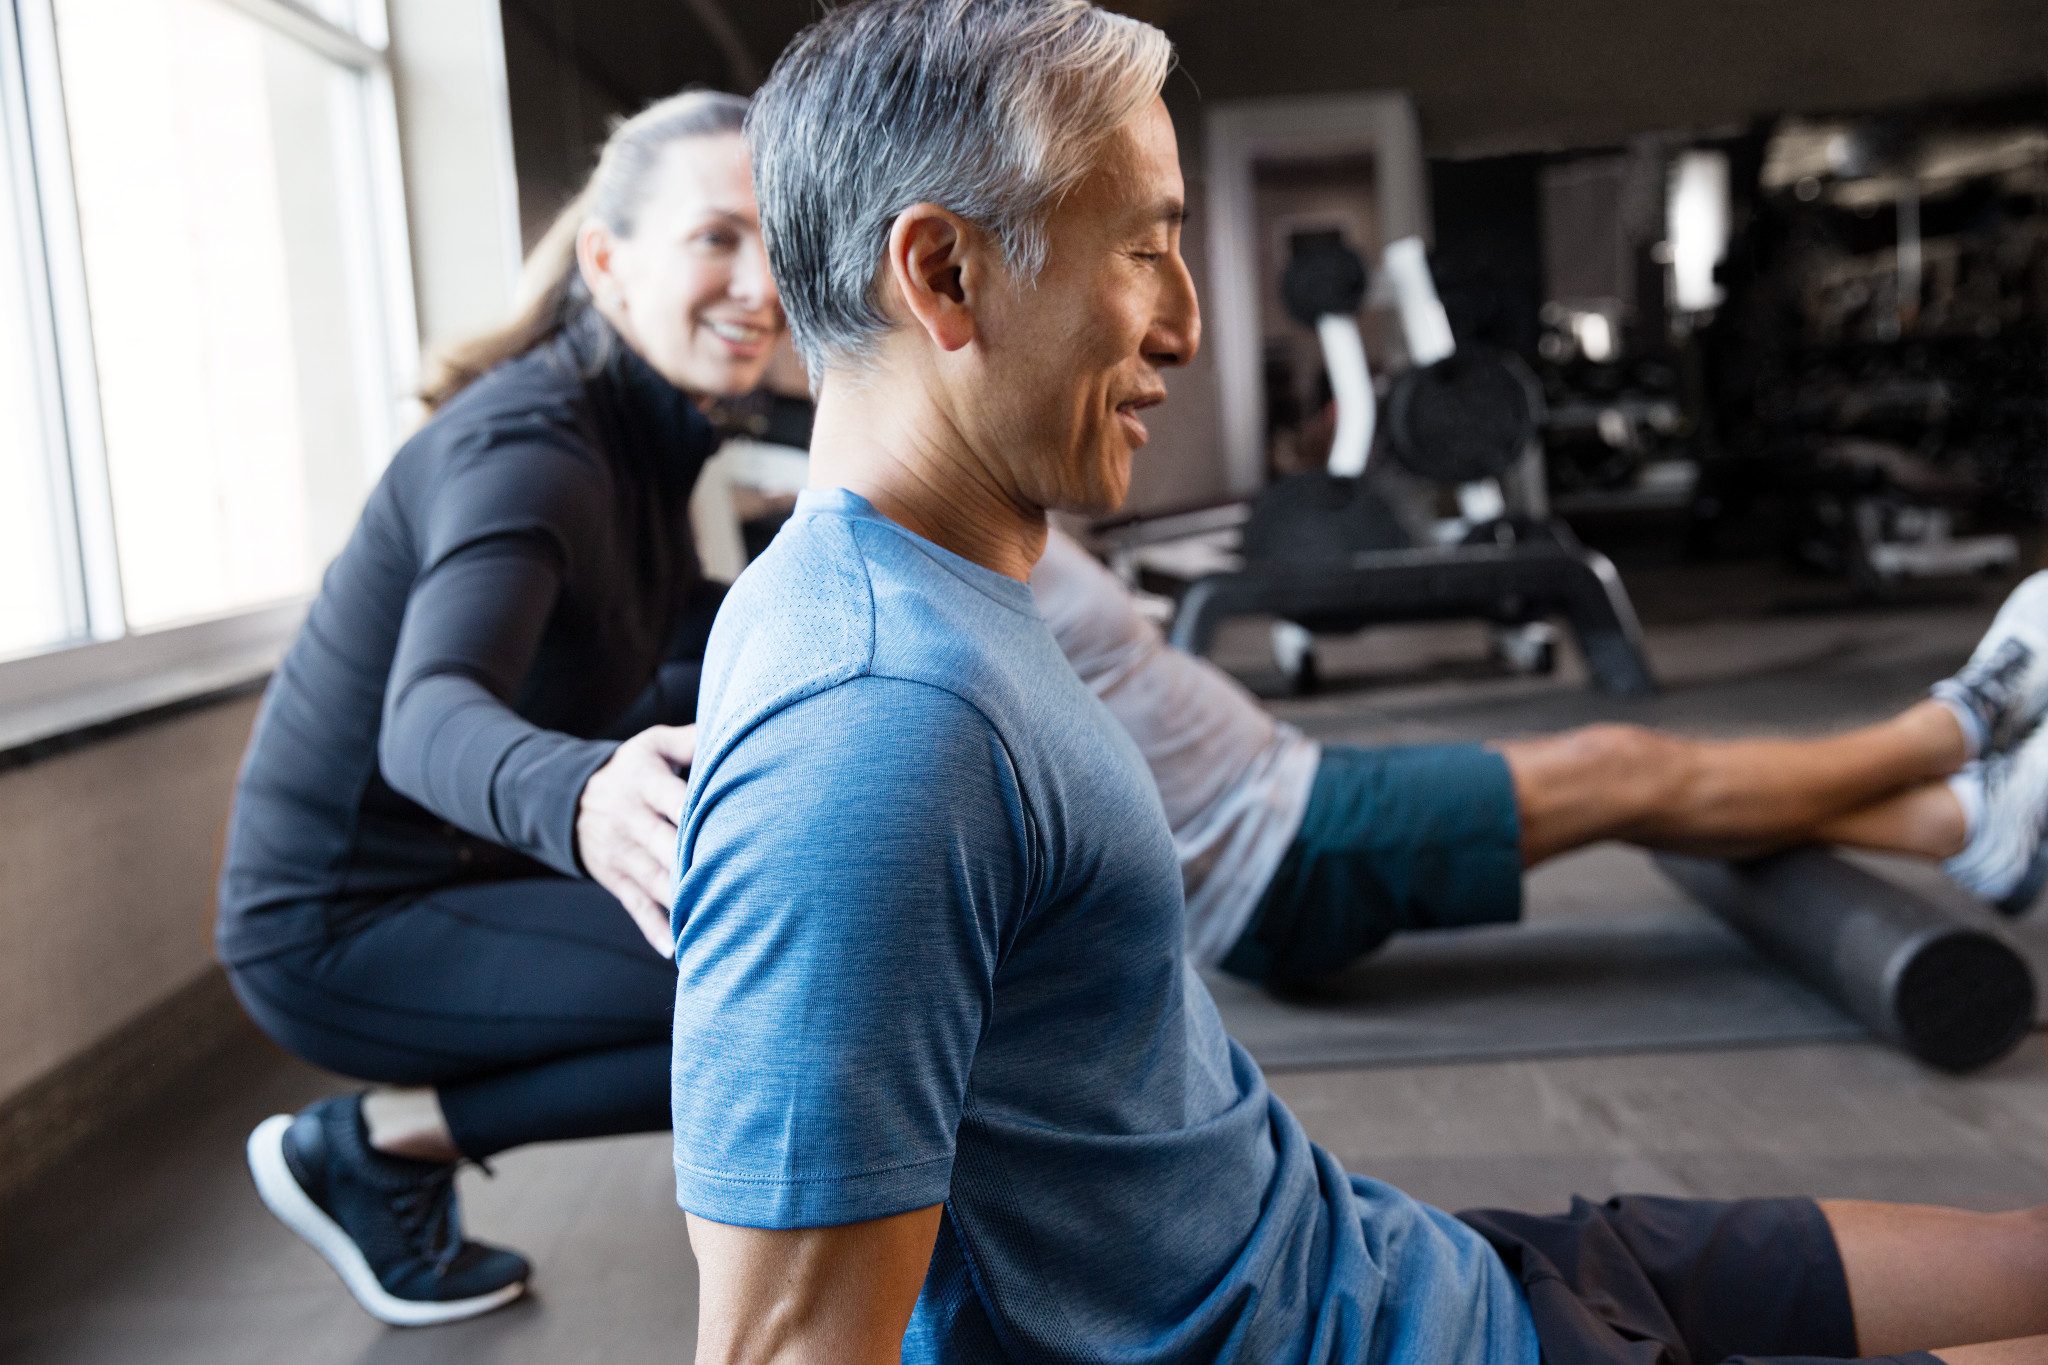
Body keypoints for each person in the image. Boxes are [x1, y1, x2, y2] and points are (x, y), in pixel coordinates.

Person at [670, 4, 2048, 1362]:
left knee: (2023, 1258)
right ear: (945, 274)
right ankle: (1959, 758)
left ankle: (1962, 797)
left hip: (1401, 1267)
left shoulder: (931, 604)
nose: (1188, 324)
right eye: (1146, 247)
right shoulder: (879, 721)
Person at [218, 90, 783, 1325]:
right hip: (338, 924)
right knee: (781, 988)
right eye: (716, 237)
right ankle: (369, 1150)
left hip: (453, 871)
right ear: (606, 259)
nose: (759, 281)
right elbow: (425, 717)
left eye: (777, 238)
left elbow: (654, 632)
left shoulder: (641, 430)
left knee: (791, 956)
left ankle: (382, 1151)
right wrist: (581, 797)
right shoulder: (531, 450)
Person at [1030, 529, 2048, 988]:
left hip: (1291, 800)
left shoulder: (959, 489)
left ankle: (1961, 826)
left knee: (1636, 784)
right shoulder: (896, 532)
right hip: (1285, 851)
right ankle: (1951, 726)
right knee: (1623, 768)